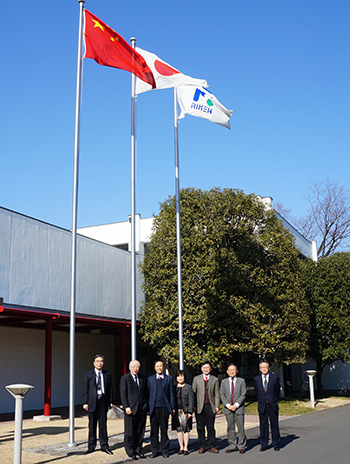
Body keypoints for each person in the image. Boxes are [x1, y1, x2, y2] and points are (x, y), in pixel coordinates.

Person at [83, 354, 114, 455]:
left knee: (103, 425)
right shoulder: (88, 374)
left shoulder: (107, 374)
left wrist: (110, 401)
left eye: (101, 361)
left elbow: (110, 389)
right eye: (97, 361)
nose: (99, 363)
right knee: (92, 425)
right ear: (94, 363)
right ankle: (91, 446)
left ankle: (104, 445)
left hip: (103, 401)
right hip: (92, 402)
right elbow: (85, 390)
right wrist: (85, 402)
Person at [120, 360, 148, 460]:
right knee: (129, 431)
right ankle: (130, 450)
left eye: (137, 367)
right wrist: (126, 406)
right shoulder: (125, 378)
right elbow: (123, 394)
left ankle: (138, 450)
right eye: (133, 367)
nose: (135, 369)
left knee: (140, 430)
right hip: (130, 409)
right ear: (129, 367)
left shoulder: (142, 378)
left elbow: (145, 393)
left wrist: (145, 406)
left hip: (141, 409)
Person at [148, 360, 176, 458]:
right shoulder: (150, 379)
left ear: (163, 367)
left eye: (161, 366)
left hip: (164, 407)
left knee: (164, 430)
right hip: (153, 408)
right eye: (157, 366)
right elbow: (147, 395)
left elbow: (172, 394)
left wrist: (172, 407)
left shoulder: (169, 379)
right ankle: (154, 450)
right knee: (154, 431)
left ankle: (165, 450)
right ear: (154, 368)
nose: (159, 368)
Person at [192, 361, 220, 454]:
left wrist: (217, 406)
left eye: (207, 368)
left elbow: (217, 394)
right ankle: (202, 446)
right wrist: (193, 407)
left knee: (210, 427)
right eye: (204, 368)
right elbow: (193, 394)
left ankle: (211, 446)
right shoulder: (196, 379)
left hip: (210, 406)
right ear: (201, 369)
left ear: (210, 369)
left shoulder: (215, 379)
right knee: (200, 428)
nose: (206, 369)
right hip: (199, 407)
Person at [253, 361, 281, 452]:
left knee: (274, 425)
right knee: (263, 426)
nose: (264, 369)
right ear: (260, 369)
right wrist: (262, 400)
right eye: (262, 367)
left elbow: (277, 391)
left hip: (272, 404)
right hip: (262, 405)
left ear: (269, 368)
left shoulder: (274, 378)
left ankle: (276, 444)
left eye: (265, 367)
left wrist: (273, 400)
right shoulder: (256, 379)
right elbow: (257, 392)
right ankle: (264, 444)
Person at [220, 363, 247, 454]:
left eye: (233, 370)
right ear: (227, 372)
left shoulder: (241, 381)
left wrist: (236, 405)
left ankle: (241, 446)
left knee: (240, 428)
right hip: (228, 408)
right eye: (230, 370)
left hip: (239, 408)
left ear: (237, 371)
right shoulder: (223, 382)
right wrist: (228, 405)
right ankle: (232, 445)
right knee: (230, 428)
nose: (232, 372)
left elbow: (243, 394)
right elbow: (222, 395)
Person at [172, 370, 195, 456]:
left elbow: (191, 400)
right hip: (176, 411)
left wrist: (190, 411)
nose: (180, 378)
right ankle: (181, 447)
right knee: (179, 430)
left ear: (184, 377)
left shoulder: (188, 387)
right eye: (178, 376)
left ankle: (186, 447)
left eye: (182, 376)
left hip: (185, 411)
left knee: (186, 430)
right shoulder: (174, 387)